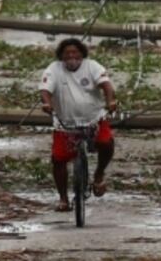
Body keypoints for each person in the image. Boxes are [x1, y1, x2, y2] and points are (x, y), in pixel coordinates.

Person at [40, 38, 118, 212]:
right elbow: (45, 89)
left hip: (94, 119)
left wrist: (110, 100)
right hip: (66, 124)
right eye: (67, 53)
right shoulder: (54, 69)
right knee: (58, 160)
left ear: (82, 54)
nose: (71, 56)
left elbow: (106, 85)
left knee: (106, 143)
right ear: (61, 56)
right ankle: (63, 199)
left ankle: (98, 175)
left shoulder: (92, 66)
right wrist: (46, 103)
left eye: (75, 52)